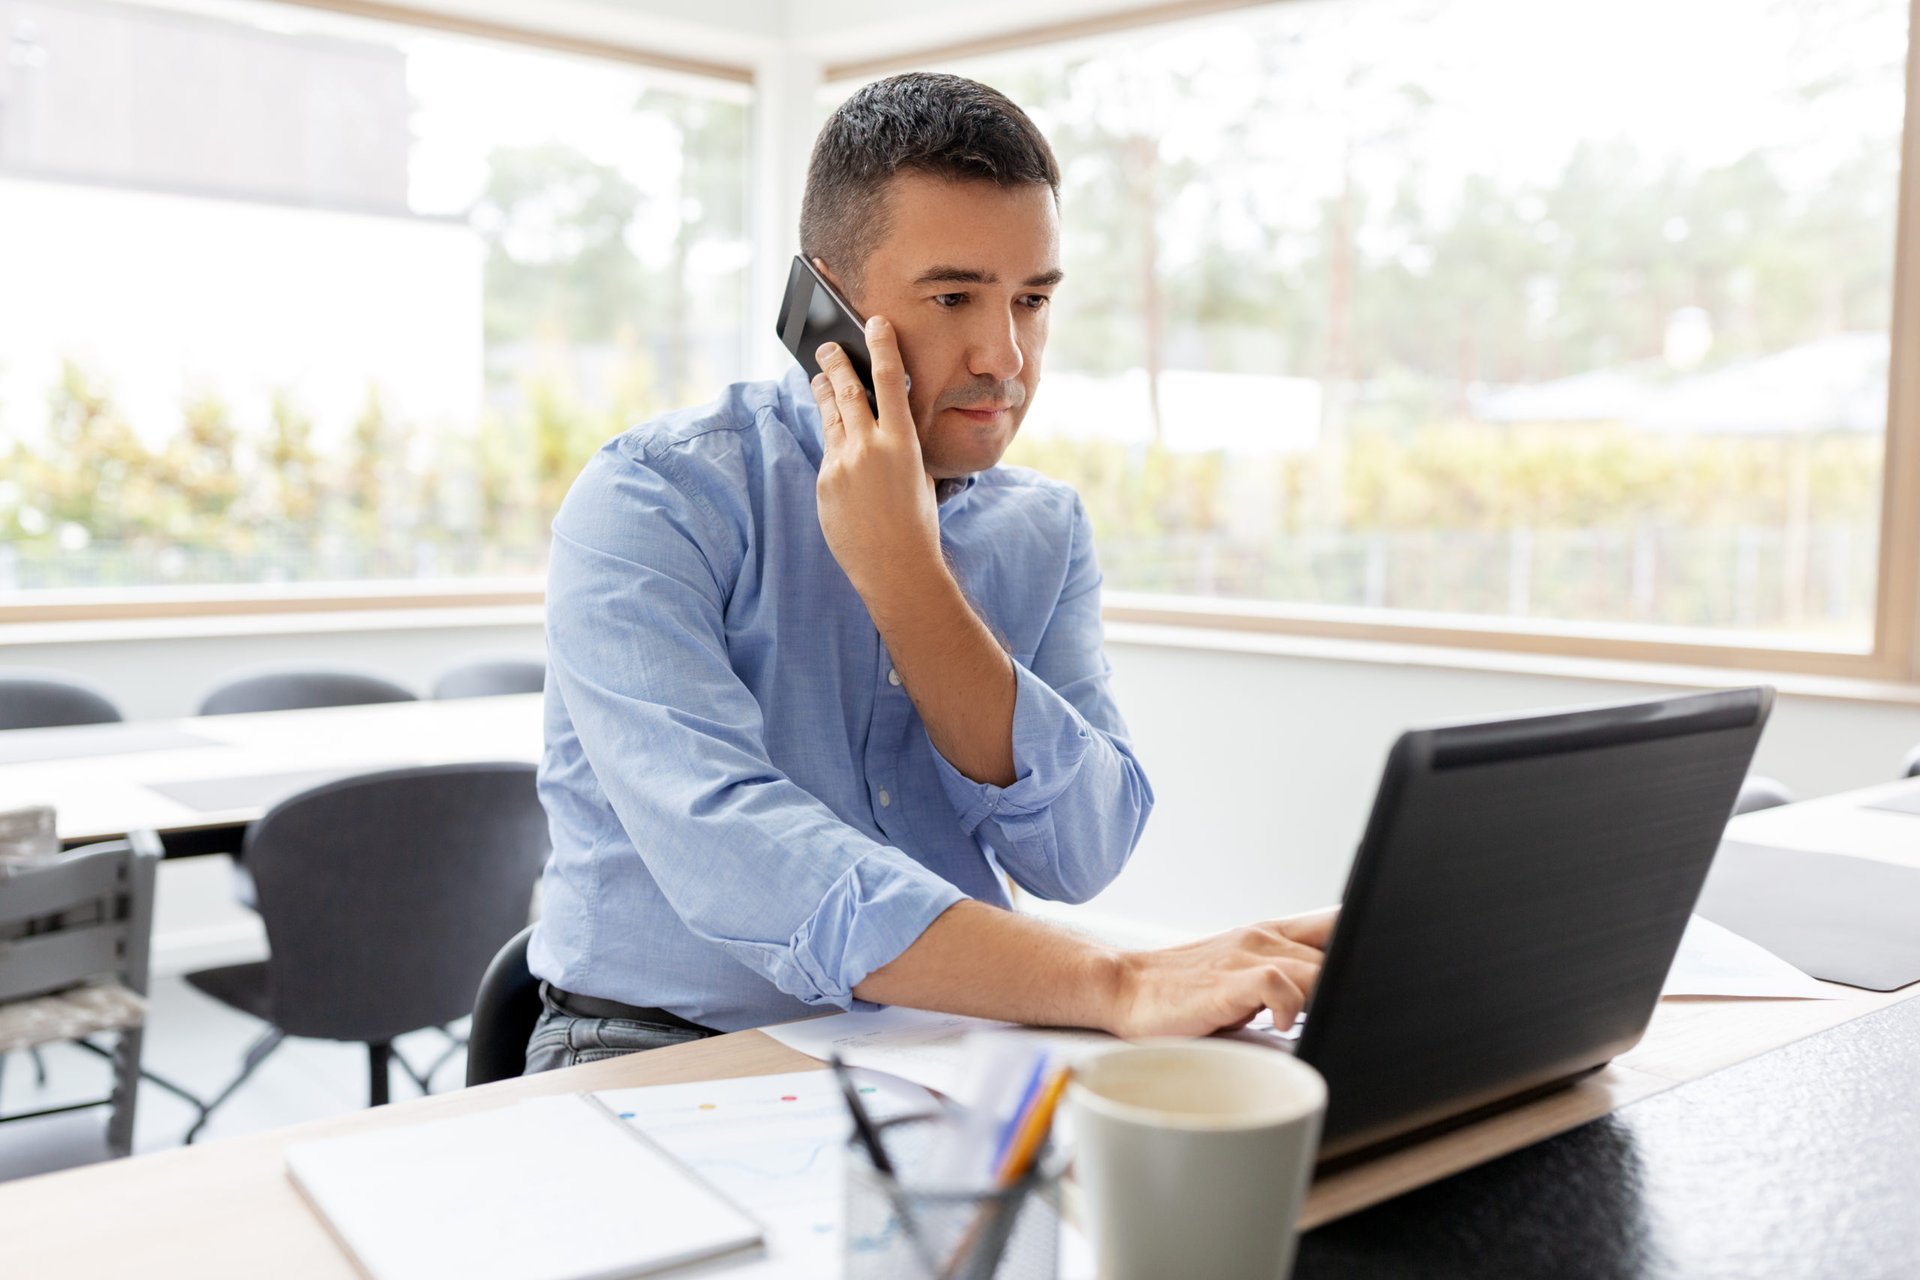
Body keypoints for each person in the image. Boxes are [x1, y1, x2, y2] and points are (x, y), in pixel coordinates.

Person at [525, 72, 1331, 1073]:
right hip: (654, 1046)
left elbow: (1080, 853)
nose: (1007, 357)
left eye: (1031, 301)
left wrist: (910, 579)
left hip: (947, 1043)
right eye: (953, 297)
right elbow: (738, 856)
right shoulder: (653, 500)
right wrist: (1111, 981)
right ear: (824, 304)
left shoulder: (1044, 528)